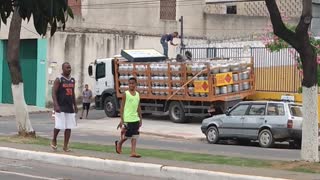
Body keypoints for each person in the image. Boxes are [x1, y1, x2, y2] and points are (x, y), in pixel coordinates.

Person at [51, 62, 78, 152]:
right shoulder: (59, 79)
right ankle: (54, 139)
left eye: (70, 67)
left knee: (69, 127)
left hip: (69, 107)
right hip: (60, 106)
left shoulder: (72, 80)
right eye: (67, 68)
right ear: (63, 69)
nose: (69, 69)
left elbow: (73, 93)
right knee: (59, 125)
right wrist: (56, 105)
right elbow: (53, 93)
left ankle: (65, 146)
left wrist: (75, 105)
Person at [115, 77, 142, 158]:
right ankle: (119, 143)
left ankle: (133, 152)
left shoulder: (137, 94)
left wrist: (140, 118)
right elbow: (122, 107)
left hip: (135, 118)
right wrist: (122, 120)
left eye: (133, 83)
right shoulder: (125, 94)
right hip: (127, 118)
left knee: (135, 136)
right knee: (127, 136)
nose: (131, 85)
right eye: (130, 83)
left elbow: (138, 107)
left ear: (136, 84)